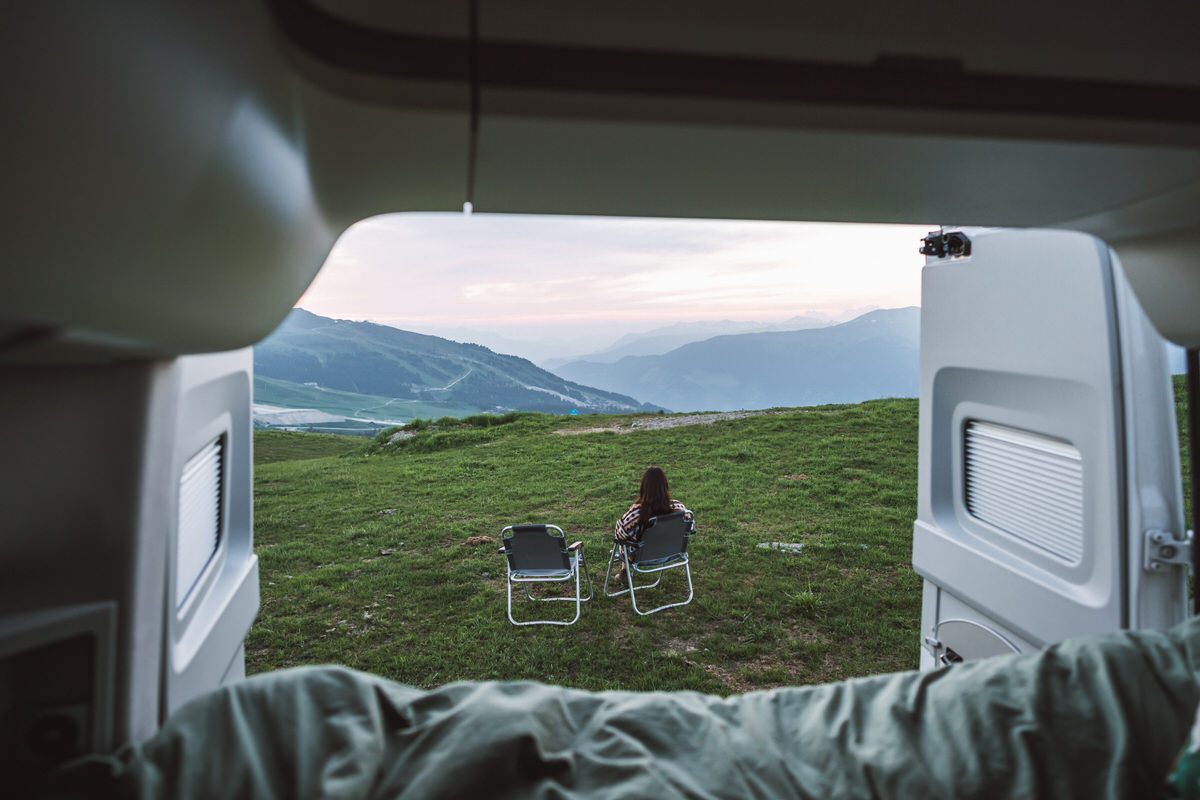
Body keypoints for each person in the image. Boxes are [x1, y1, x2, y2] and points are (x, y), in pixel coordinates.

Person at [612, 466, 693, 585]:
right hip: (671, 552)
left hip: (641, 557)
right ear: (665, 486)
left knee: (625, 543)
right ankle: (624, 572)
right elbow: (690, 528)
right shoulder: (679, 508)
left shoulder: (636, 513)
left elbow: (620, 536)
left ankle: (624, 571)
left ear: (643, 488)